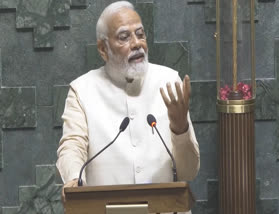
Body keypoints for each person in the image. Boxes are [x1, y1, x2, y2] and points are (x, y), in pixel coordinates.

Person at [56, 1, 200, 213]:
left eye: (140, 34)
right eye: (124, 37)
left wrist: (180, 129)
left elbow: (188, 172)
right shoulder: (82, 90)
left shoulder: (169, 82)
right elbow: (72, 145)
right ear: (103, 49)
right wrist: (73, 179)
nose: (136, 43)